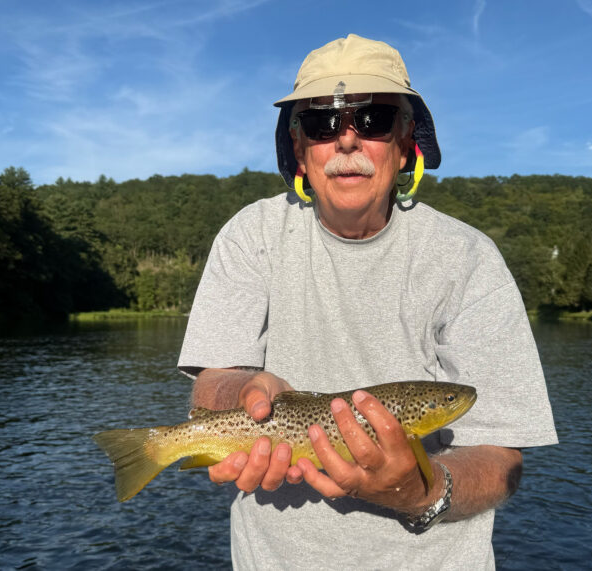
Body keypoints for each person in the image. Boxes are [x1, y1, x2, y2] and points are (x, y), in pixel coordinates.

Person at [178, 34, 557, 570]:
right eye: (322, 123)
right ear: (298, 149)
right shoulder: (251, 236)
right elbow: (211, 384)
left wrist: (425, 491)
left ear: (405, 144)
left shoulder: (468, 258)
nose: (347, 140)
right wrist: (241, 390)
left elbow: (501, 459)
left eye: (374, 119)